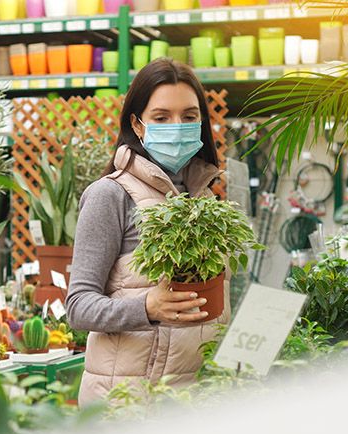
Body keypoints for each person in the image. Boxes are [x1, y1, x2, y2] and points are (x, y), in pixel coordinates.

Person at [66, 58, 231, 407]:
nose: (178, 126)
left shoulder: (205, 199)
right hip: (126, 407)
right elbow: (78, 307)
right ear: (138, 125)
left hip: (190, 404)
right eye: (161, 117)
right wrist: (147, 307)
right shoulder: (109, 195)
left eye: (189, 117)